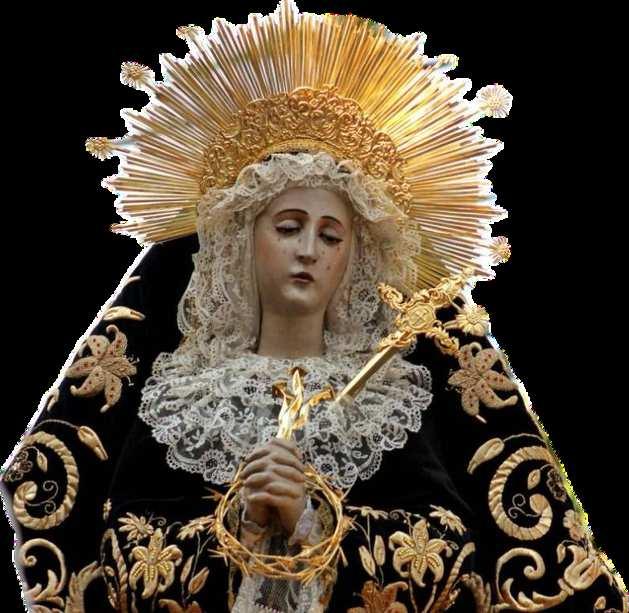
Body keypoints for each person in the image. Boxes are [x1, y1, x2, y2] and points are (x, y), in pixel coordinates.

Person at [1, 2, 627, 611]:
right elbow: (112, 549)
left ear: (355, 259)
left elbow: (458, 560)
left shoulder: (394, 400)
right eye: (288, 227)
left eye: (331, 237)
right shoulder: (179, 395)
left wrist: (310, 525)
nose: (308, 251)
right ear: (242, 240)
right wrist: (241, 528)